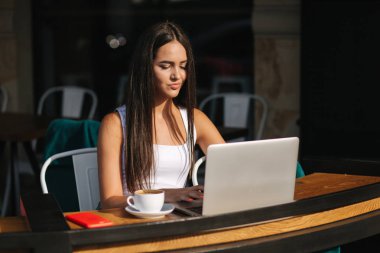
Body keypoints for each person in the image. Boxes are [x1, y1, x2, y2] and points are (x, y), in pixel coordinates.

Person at [98, 21, 225, 209]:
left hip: (177, 219)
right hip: (131, 222)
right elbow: (110, 201)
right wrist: (168, 195)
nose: (177, 75)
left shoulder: (194, 119)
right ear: (145, 68)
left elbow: (233, 168)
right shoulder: (116, 123)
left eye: (183, 66)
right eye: (166, 66)